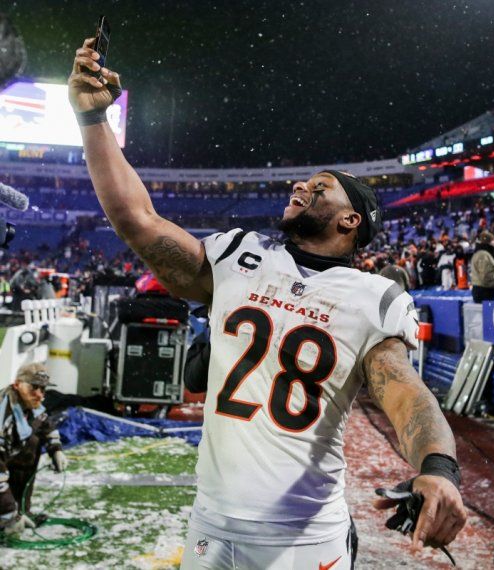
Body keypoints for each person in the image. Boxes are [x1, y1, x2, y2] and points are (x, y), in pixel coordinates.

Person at [69, 39, 465, 569]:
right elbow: (137, 220)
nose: (302, 185)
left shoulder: (374, 296)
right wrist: (93, 119)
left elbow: (405, 393)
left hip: (304, 537)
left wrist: (438, 467)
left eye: (321, 187)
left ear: (351, 220)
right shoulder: (240, 254)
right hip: (211, 522)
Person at [1, 363, 68, 536]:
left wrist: (56, 449)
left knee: (32, 443)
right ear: (17, 384)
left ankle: (21, 510)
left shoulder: (29, 402)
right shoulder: (3, 416)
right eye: (34, 387)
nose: (39, 394)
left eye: (43, 389)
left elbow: (45, 423)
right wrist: (9, 514)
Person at [470, 231, 494, 303]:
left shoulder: (482, 253)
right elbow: (485, 275)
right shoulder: (483, 255)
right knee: (487, 310)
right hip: (484, 290)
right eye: (493, 240)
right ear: (488, 242)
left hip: (481, 289)